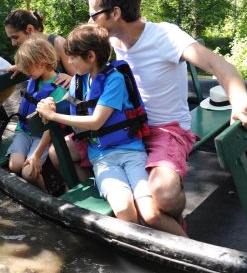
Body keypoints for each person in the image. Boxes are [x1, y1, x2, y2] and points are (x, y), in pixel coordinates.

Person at [84, 0, 247, 236]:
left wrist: (240, 98)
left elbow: (216, 64)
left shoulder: (165, 35)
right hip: (127, 129)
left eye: (93, 15)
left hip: (167, 130)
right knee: (63, 151)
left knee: (164, 196)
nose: (90, 22)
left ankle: (175, 222)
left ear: (115, 13)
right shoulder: (109, 45)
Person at [36, 24, 170, 232]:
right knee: (125, 209)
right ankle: (139, 252)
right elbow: (67, 101)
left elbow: (96, 121)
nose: (69, 62)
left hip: (130, 152)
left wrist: (52, 116)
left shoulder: (114, 79)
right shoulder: (78, 81)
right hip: (102, 157)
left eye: (73, 57)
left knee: (150, 212)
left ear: (90, 56)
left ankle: (189, 247)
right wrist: (50, 104)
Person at [7, 38, 69, 191]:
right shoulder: (35, 75)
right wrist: (18, 66)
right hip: (24, 131)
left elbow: (51, 126)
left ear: (42, 62)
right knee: (14, 165)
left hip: (43, 137)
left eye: (28, 67)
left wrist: (36, 155)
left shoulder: (59, 89)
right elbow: (29, 64)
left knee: (28, 173)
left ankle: (45, 194)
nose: (26, 71)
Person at [4, 9, 76, 87]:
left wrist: (71, 79)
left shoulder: (58, 43)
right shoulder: (27, 51)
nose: (13, 43)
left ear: (29, 29)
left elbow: (81, 79)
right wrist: (24, 66)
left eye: (15, 37)